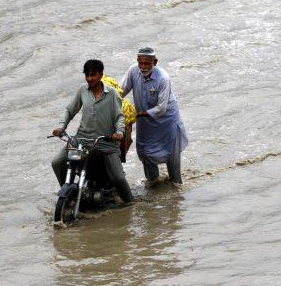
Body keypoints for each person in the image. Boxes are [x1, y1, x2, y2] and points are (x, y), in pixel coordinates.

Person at [51, 59, 133, 203]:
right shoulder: (83, 90)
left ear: (101, 75)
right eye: (87, 76)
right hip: (81, 139)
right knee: (57, 162)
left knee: (118, 178)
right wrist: (61, 127)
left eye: (93, 75)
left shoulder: (112, 94)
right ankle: (69, 192)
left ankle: (131, 203)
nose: (89, 79)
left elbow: (119, 116)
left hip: (106, 142)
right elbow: (70, 111)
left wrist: (119, 132)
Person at [120, 47, 188, 188]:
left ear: (155, 62)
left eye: (147, 64)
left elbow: (161, 108)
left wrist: (136, 114)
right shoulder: (133, 71)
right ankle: (153, 182)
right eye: (141, 63)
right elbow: (121, 91)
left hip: (166, 120)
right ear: (137, 61)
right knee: (144, 151)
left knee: (172, 155)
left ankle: (176, 186)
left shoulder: (163, 78)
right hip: (145, 121)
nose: (143, 67)